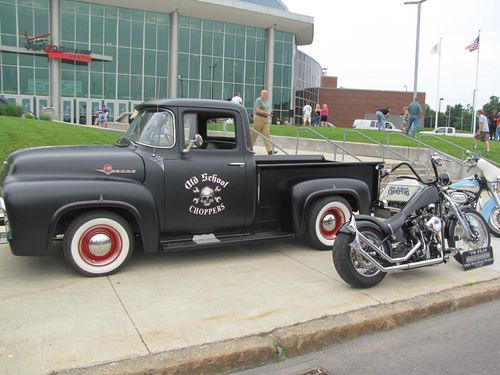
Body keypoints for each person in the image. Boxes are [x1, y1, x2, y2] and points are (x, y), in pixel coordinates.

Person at [251, 89, 276, 155]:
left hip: (265, 120)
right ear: (261, 94)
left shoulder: (266, 101)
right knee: (254, 135)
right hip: (258, 119)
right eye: (264, 93)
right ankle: (249, 148)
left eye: (266, 93)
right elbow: (257, 110)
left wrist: (270, 114)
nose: (265, 94)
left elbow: (267, 111)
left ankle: (270, 150)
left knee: (267, 134)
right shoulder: (258, 100)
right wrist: (267, 113)